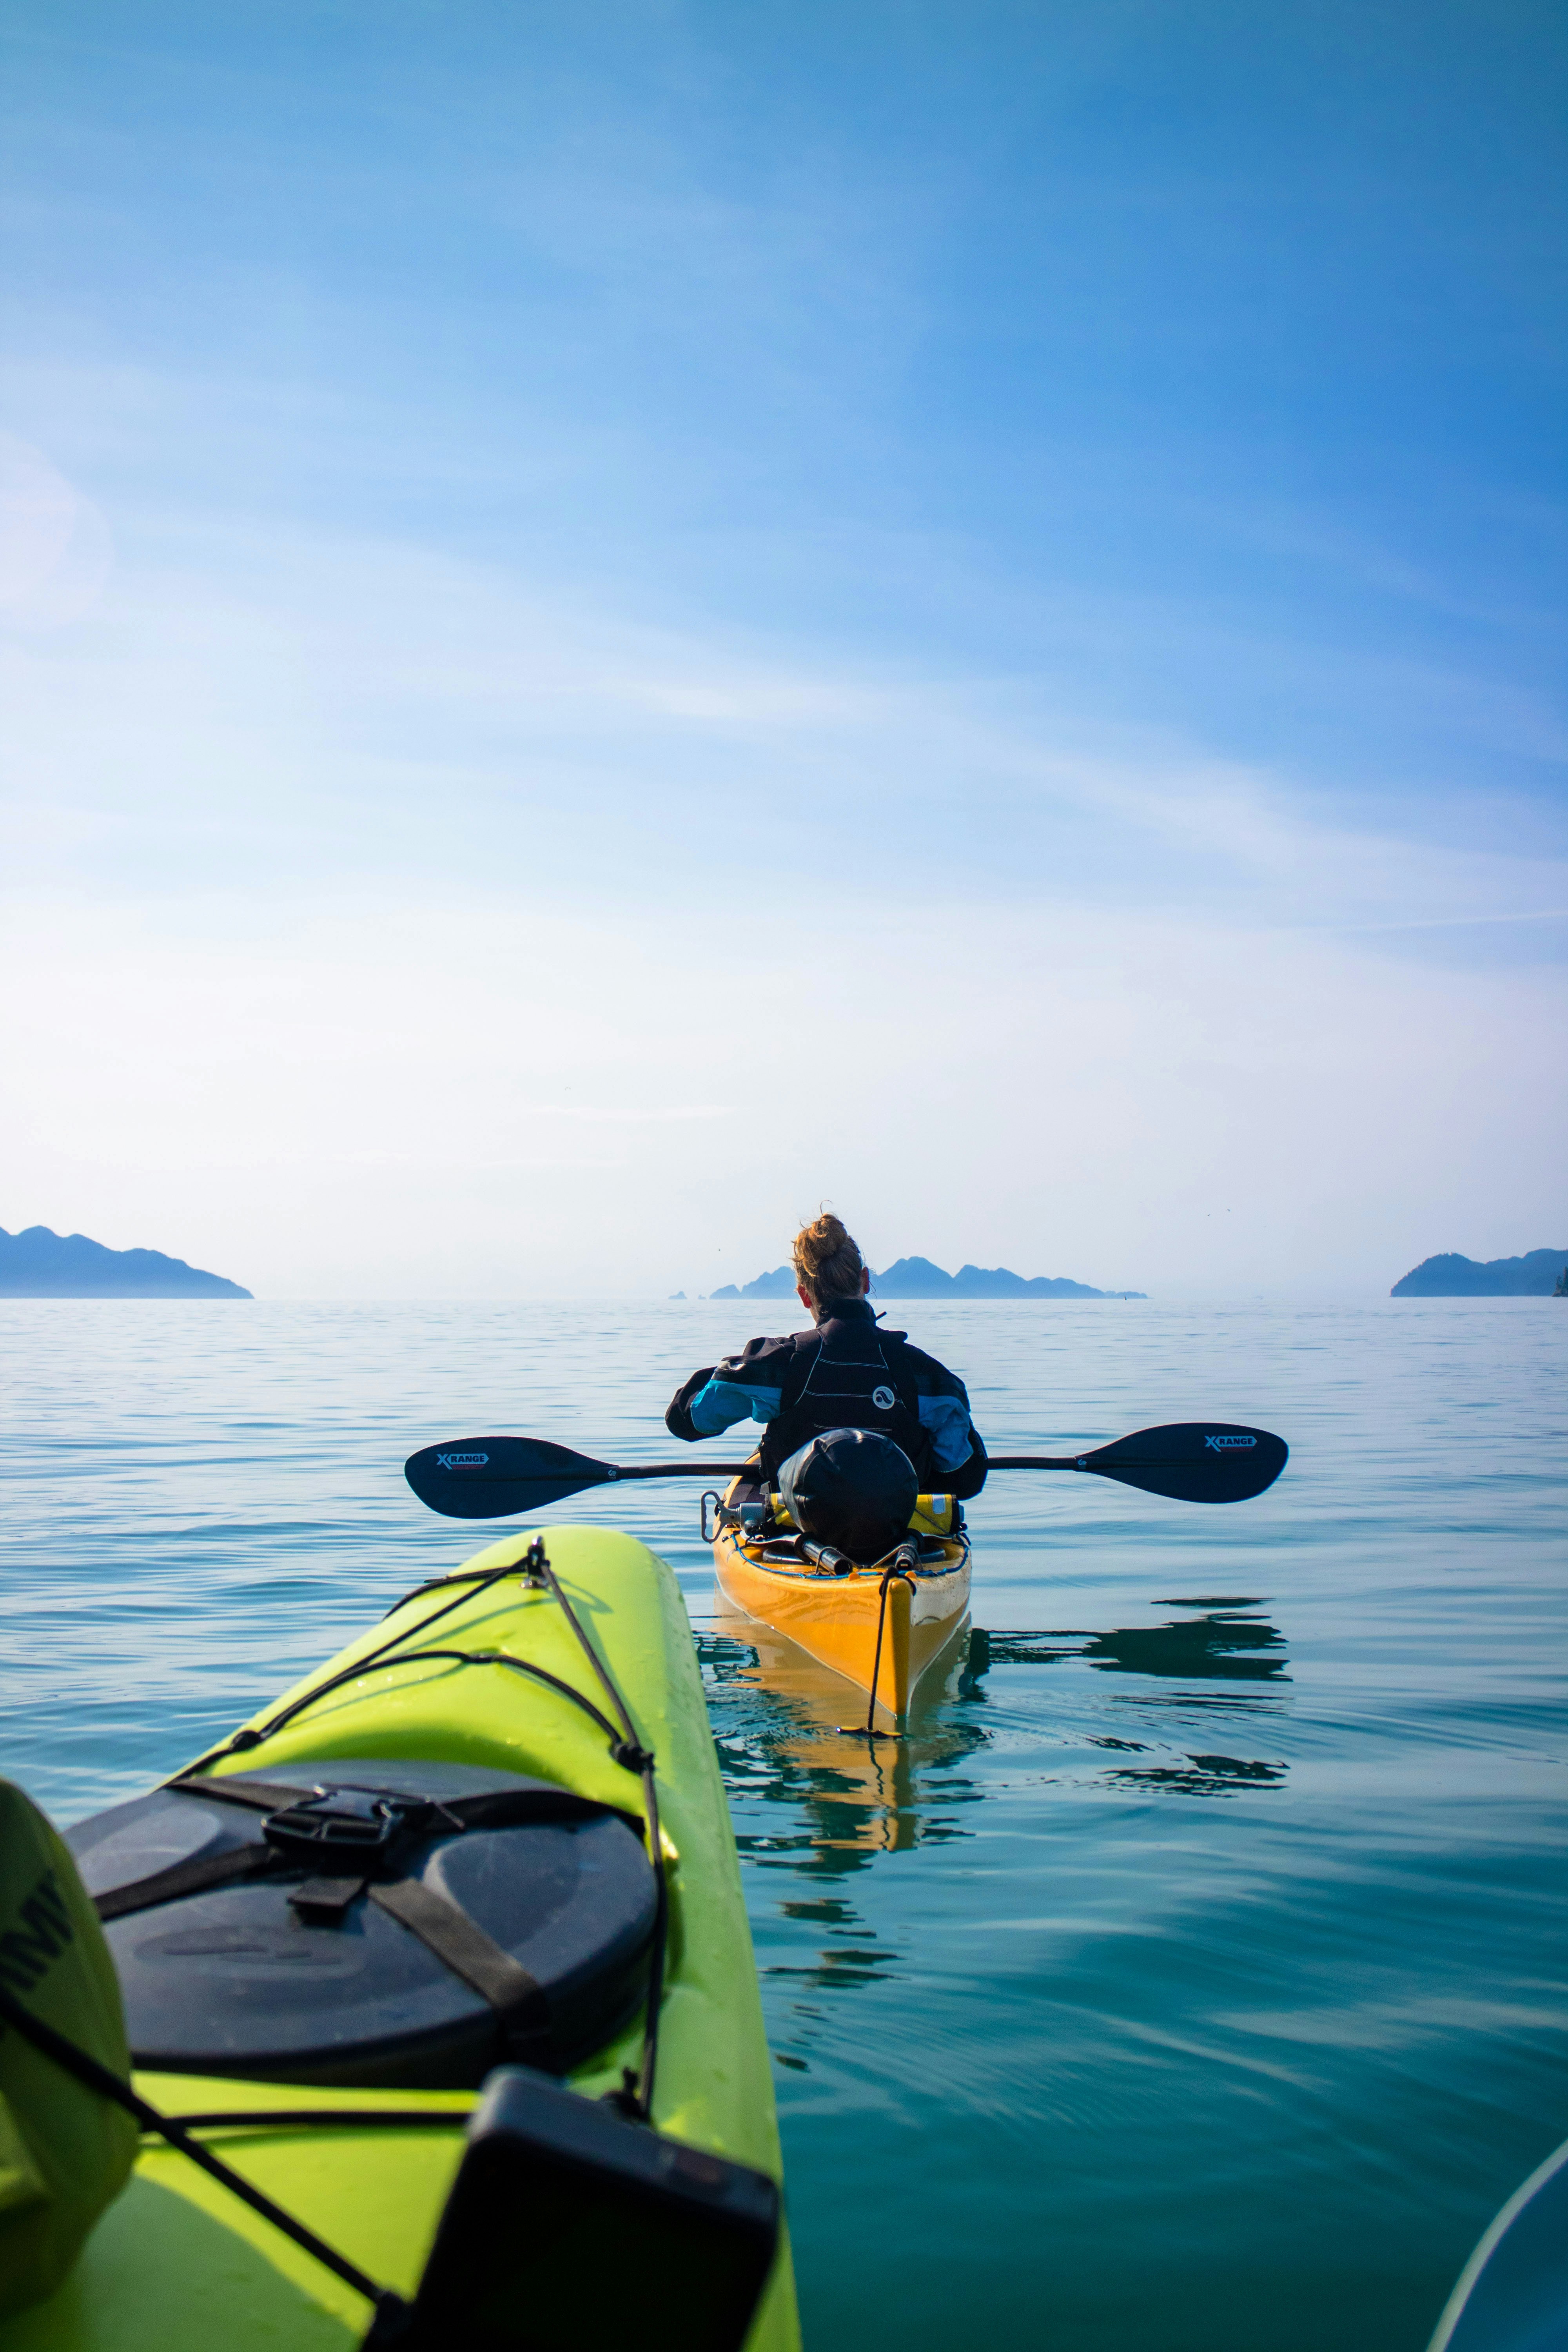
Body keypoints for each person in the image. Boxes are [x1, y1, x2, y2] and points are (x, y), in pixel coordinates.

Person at [666, 1215, 987, 1497]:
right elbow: (964, 1479)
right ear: (864, 1280)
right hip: (900, 1537)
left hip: (798, 1535)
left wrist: (732, 1371)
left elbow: (685, 1420)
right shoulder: (928, 1376)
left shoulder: (778, 1366)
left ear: (805, 1297)